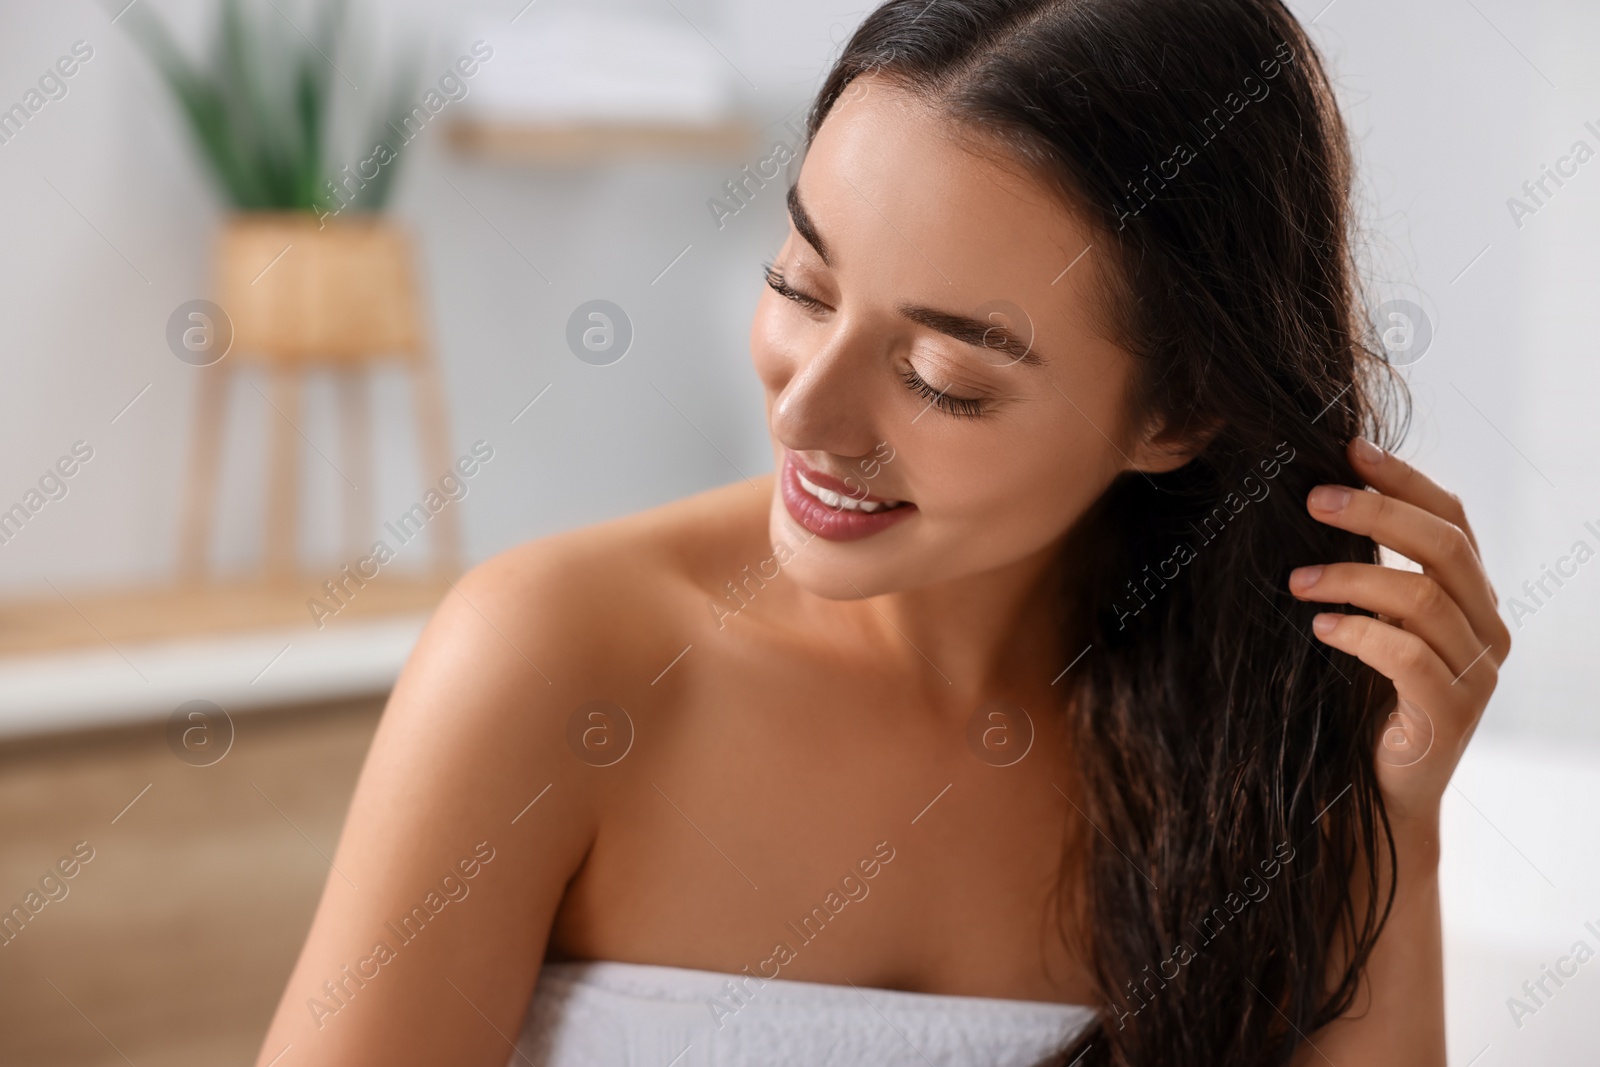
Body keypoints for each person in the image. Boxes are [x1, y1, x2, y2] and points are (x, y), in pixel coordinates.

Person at [255, 1, 1510, 1064]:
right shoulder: (555, 661)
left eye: (942, 374)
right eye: (801, 284)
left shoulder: (1258, 737)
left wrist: (1390, 818)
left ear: (1179, 412)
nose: (804, 407)